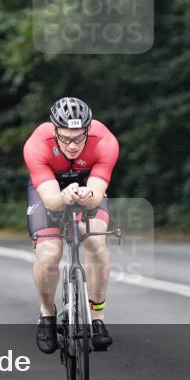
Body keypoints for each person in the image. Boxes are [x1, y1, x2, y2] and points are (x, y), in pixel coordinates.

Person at [23, 97, 119, 354]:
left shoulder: (105, 141)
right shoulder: (37, 144)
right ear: (55, 130)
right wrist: (63, 197)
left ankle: (96, 318)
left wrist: (87, 196)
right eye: (65, 138)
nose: (73, 145)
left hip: (88, 187)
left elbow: (97, 195)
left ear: (88, 130)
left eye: (78, 138)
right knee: (49, 254)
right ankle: (47, 314)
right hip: (49, 191)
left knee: (97, 243)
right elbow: (52, 202)